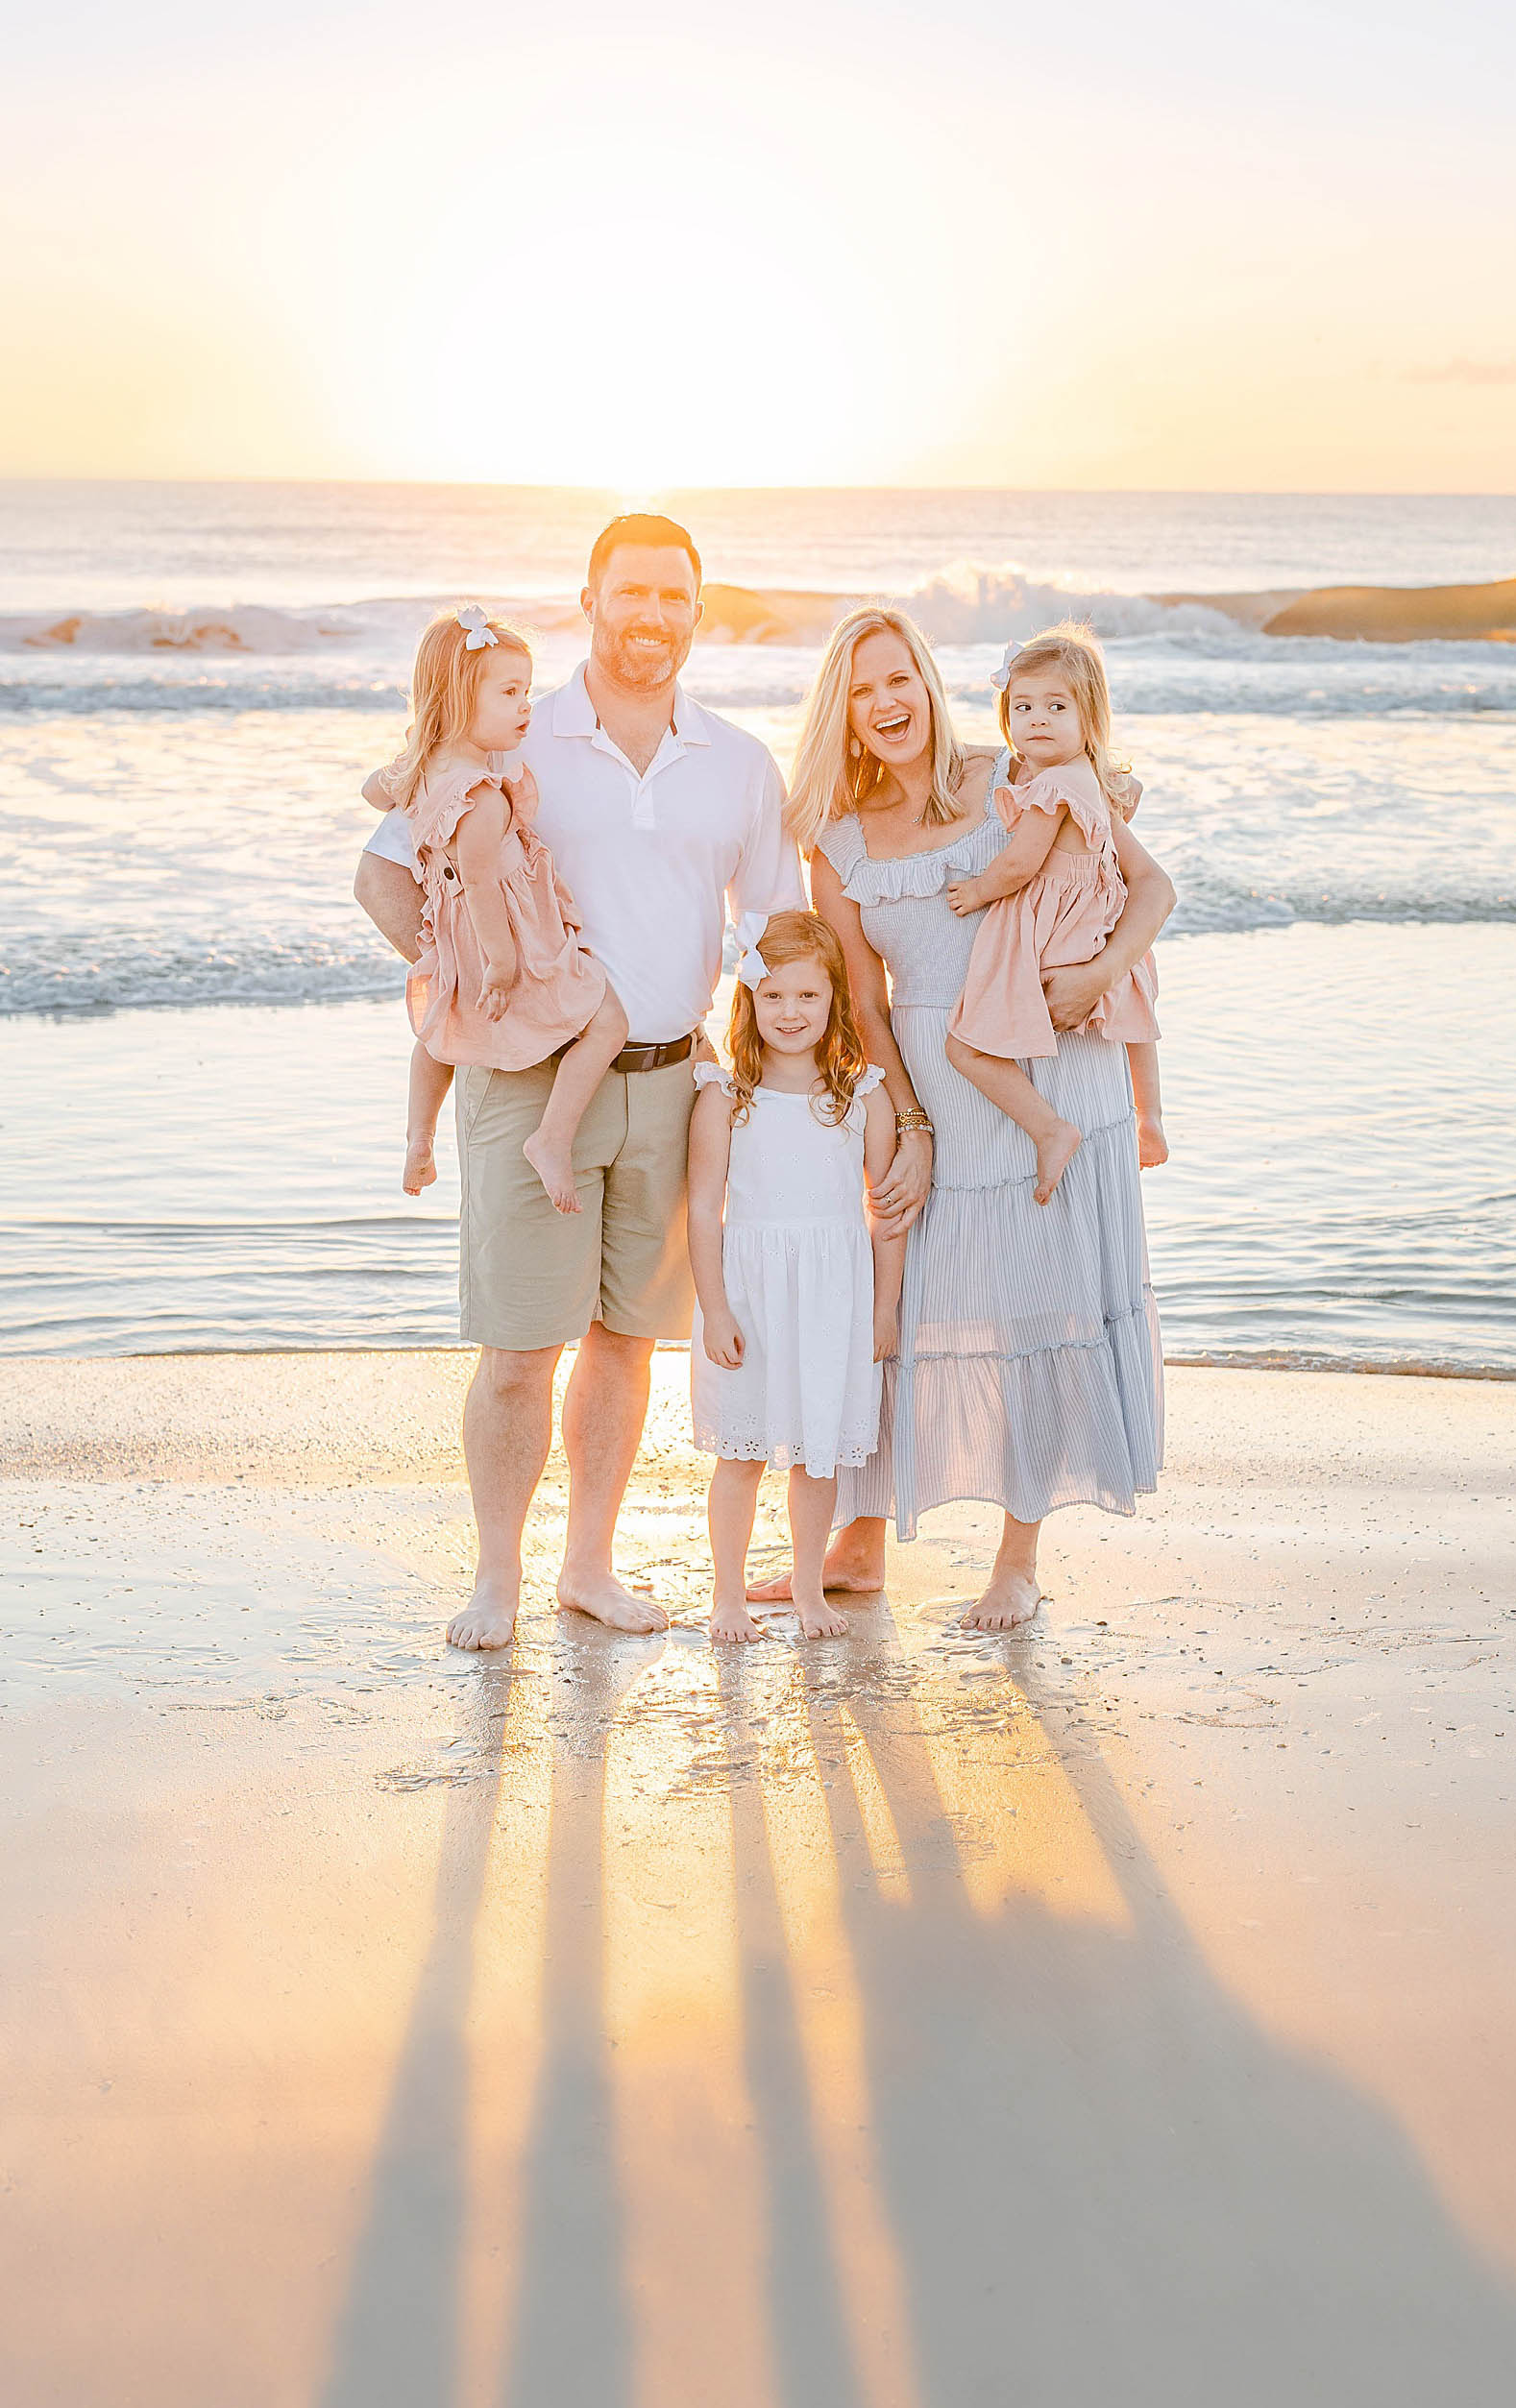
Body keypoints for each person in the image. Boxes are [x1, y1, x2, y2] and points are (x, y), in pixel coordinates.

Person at [353, 514, 807, 1649]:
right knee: (518, 1350)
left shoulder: (741, 765)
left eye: (675, 597)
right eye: (632, 592)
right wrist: (463, 987)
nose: (652, 616)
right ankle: (495, 1579)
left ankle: (589, 1569)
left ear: (698, 614)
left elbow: (772, 935)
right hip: (527, 1085)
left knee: (625, 1343)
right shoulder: (514, 736)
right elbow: (383, 877)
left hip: (672, 1083)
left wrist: (773, 1084)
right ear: (591, 600)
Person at [748, 606, 1175, 1631]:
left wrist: (1101, 979)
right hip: (939, 1086)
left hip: (1054, 1071)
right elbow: (864, 1003)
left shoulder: (1013, 778)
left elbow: (1144, 887)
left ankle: (1017, 1560)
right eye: (862, 689)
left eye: (900, 679)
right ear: (841, 715)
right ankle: (858, 1547)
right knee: (898, 1308)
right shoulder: (838, 844)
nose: (887, 703)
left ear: (931, 685)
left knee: (1041, 1307)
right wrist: (907, 1120)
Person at [360, 607, 624, 1207]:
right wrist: (503, 966)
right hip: (508, 938)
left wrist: (412, 755)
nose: (526, 705)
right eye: (509, 692)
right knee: (608, 1022)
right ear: (457, 700)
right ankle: (552, 1139)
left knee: (439, 1030)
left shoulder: (425, 775)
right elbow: (482, 887)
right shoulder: (479, 796)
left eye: (527, 691)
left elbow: (372, 792)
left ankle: (418, 1137)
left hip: (448, 939)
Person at [687, 910, 903, 1644]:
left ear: (834, 1001)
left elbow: (887, 1212)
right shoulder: (724, 1095)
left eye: (808, 997)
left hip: (835, 1301)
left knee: (818, 1453)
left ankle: (809, 1589)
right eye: (774, 996)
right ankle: (727, 1596)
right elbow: (702, 1215)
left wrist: (884, 1311)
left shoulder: (862, 1094)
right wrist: (714, 1310)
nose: (791, 1013)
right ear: (749, 1000)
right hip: (749, 1296)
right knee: (741, 1452)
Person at [945, 627, 1165, 1202]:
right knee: (1135, 1016)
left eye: (1056, 706)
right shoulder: (1091, 778)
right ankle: (1151, 1118)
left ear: (1088, 717)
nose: (1037, 719)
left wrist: (977, 891)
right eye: (1023, 707)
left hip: (1055, 934)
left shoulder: (1054, 787)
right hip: (1097, 929)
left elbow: (1020, 865)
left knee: (964, 1048)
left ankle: (1049, 1129)